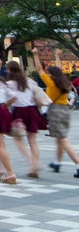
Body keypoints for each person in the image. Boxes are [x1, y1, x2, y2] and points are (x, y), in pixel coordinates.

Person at [36, 49, 79, 177]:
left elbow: (39, 69)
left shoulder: (51, 83)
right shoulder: (64, 82)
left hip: (55, 112)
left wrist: (35, 55)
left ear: (51, 75)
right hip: (65, 111)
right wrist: (57, 56)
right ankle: (57, 162)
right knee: (60, 138)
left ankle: (77, 164)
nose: (47, 74)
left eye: (48, 73)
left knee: (63, 139)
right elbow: (59, 69)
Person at [5, 61, 42, 178]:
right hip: (32, 110)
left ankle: (32, 162)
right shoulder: (30, 81)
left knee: (18, 139)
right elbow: (37, 93)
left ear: (10, 71)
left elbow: (8, 98)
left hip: (19, 111)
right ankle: (34, 165)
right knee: (33, 141)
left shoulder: (10, 84)